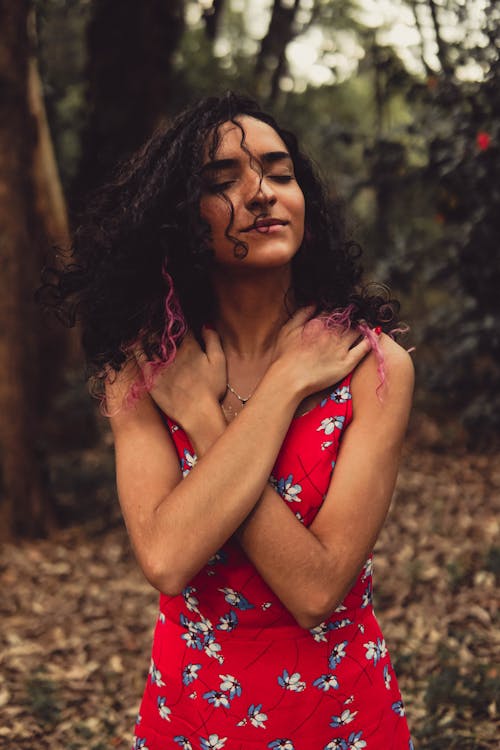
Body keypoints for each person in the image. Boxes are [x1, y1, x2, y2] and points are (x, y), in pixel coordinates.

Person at [51, 92, 414, 750]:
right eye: (224, 182)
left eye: (279, 174)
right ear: (179, 219)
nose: (261, 194)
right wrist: (275, 395)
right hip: (193, 714)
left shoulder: (370, 364)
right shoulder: (145, 368)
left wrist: (213, 418)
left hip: (339, 716)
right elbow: (165, 557)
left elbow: (316, 588)